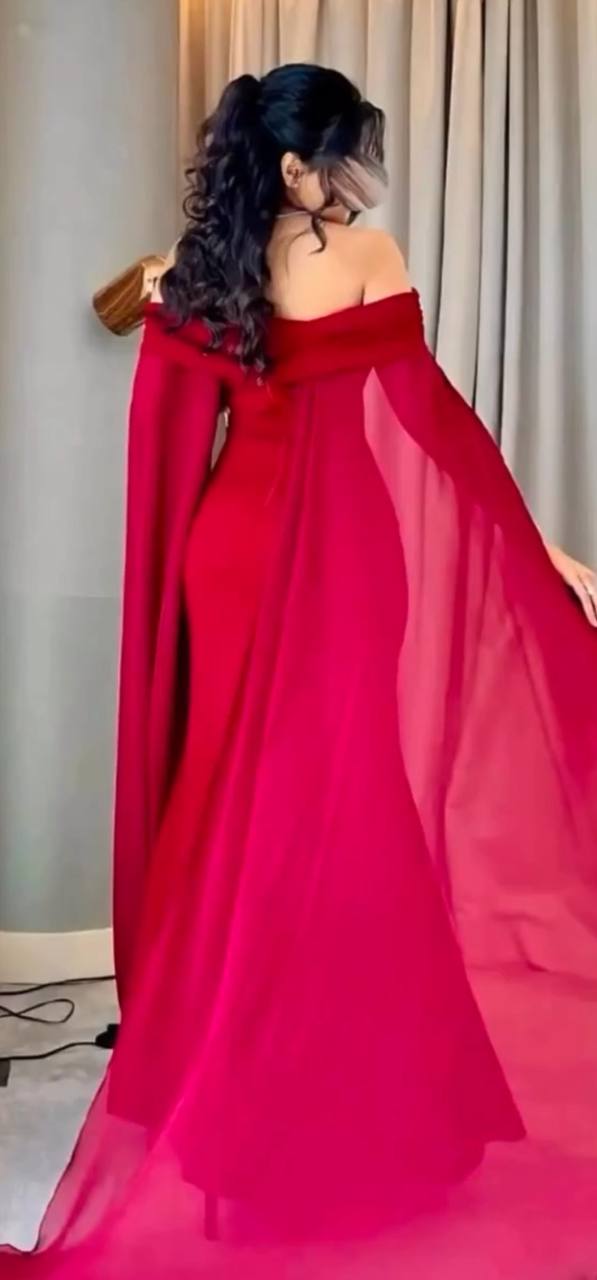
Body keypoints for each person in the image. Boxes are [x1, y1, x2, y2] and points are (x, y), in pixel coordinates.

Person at [2, 62, 597, 1280]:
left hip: (227, 558)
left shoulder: (203, 269)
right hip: (338, 565)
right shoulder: (368, 257)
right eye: (339, 154)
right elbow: (431, 422)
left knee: (241, 831)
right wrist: (535, 544)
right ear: (292, 165)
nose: (355, 174)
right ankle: (371, 1117)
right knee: (349, 816)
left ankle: (234, 1125)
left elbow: (174, 437)